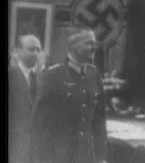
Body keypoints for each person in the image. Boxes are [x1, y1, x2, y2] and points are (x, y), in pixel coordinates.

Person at [32, 26, 108, 163]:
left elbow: (100, 120)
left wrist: (100, 156)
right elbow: (40, 125)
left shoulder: (93, 74)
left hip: (87, 156)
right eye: (88, 43)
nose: (93, 47)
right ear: (73, 45)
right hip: (61, 156)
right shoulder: (53, 76)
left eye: (94, 43)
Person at [9, 34, 42, 163]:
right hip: (15, 145)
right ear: (18, 51)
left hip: (36, 148)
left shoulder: (41, 78)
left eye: (38, 50)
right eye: (31, 49)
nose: (36, 53)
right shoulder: (11, 75)